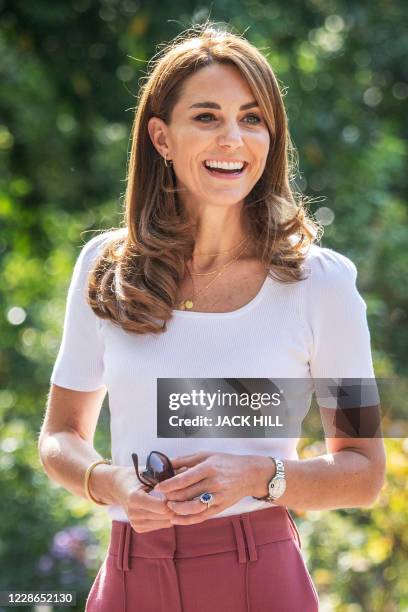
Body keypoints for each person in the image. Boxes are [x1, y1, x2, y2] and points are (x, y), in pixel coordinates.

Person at [38, 22, 386, 612]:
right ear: (161, 137)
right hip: (129, 572)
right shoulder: (107, 268)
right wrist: (110, 482)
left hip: (261, 574)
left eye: (252, 119)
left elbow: (363, 470)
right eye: (206, 117)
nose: (232, 139)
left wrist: (259, 476)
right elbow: (60, 436)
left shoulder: (322, 284)